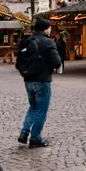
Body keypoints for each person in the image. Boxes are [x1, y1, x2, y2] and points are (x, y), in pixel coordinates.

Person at [15, 18, 62, 148]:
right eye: (49, 28)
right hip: (42, 80)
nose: (50, 30)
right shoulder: (48, 42)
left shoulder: (26, 41)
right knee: (41, 110)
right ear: (45, 29)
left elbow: (18, 63)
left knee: (33, 107)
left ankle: (24, 132)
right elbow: (57, 62)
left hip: (28, 80)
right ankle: (35, 138)